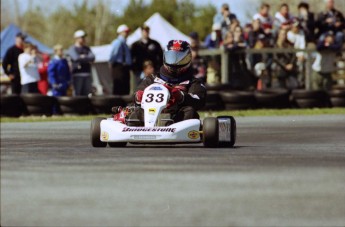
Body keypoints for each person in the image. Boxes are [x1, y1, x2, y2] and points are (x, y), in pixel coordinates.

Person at [128, 40, 206, 125]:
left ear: (188, 58)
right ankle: (133, 129)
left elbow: (199, 101)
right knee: (136, 111)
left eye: (180, 58)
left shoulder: (193, 82)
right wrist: (138, 96)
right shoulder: (152, 79)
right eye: (171, 57)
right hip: (150, 115)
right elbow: (136, 95)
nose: (175, 62)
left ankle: (173, 130)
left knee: (190, 111)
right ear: (165, 56)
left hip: (176, 119)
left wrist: (181, 97)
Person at [68, 29, 95, 96]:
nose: (83, 39)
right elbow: (76, 58)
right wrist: (86, 58)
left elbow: (92, 57)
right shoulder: (72, 48)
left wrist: (83, 57)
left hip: (87, 74)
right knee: (77, 95)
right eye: (81, 37)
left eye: (84, 37)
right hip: (77, 75)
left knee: (86, 95)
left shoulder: (87, 48)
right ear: (76, 38)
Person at [109, 24, 132, 95]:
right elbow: (112, 56)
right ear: (120, 32)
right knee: (118, 88)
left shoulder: (125, 43)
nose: (127, 33)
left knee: (125, 88)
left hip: (125, 68)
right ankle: (117, 105)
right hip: (118, 67)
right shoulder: (117, 42)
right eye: (125, 32)